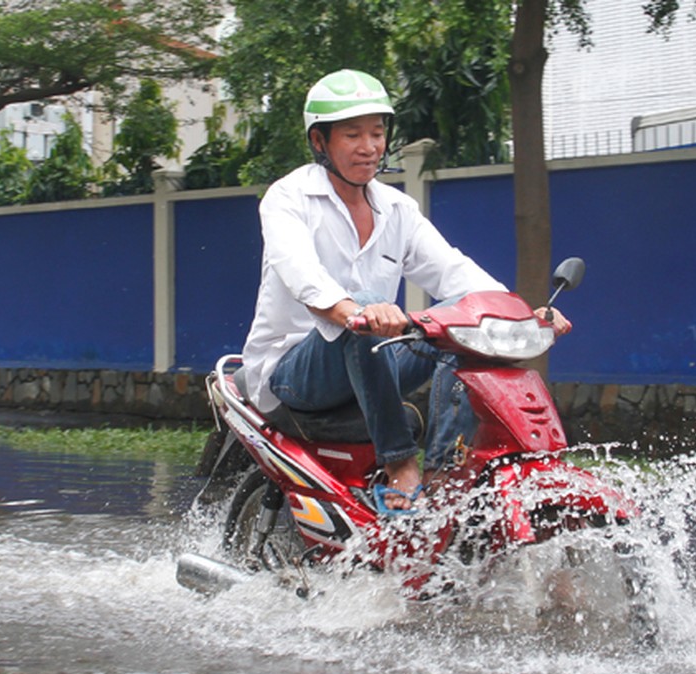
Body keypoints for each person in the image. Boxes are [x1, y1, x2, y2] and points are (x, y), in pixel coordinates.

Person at [240, 69, 571, 513]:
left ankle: (439, 478)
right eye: (353, 134)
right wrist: (350, 311)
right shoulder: (288, 198)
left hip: (372, 353)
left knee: (469, 326)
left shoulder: (398, 209)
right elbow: (302, 274)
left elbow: (455, 272)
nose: (369, 146)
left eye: (377, 133)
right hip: (294, 372)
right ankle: (401, 465)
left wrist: (519, 314)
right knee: (364, 328)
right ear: (320, 142)